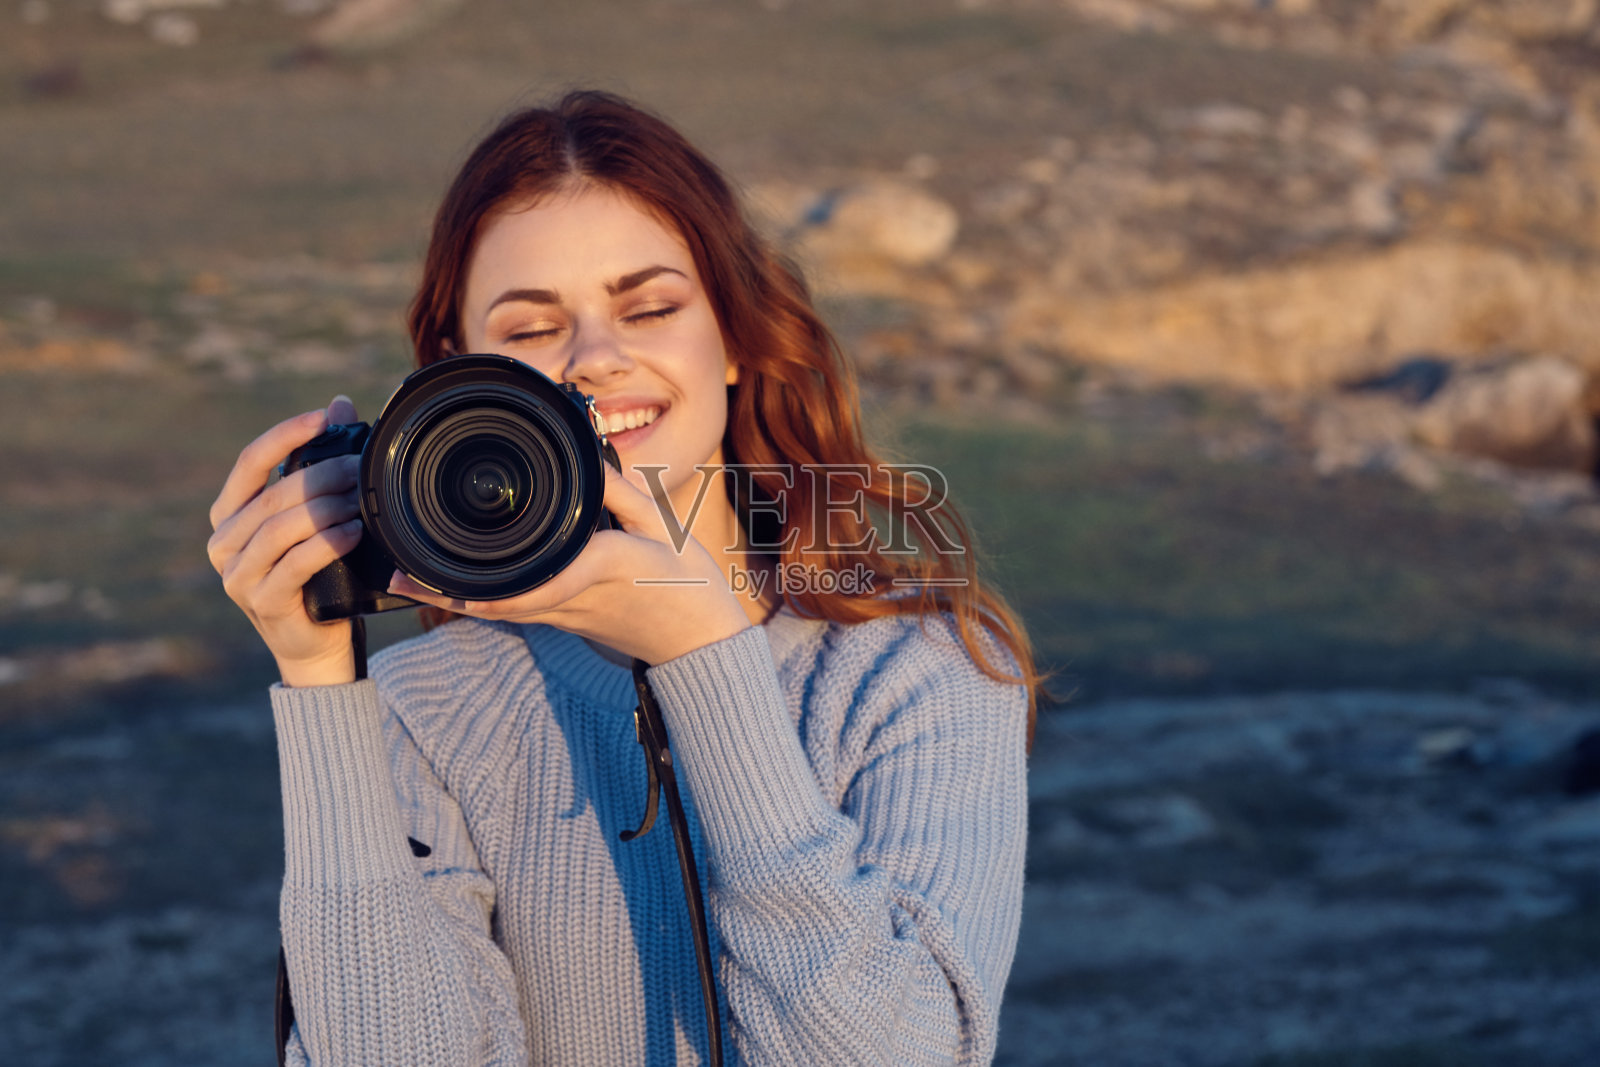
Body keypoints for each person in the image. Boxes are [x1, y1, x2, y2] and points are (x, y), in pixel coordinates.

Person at [207, 89, 1039, 1066]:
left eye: (649, 306)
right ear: (463, 371)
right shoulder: (426, 706)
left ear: (731, 336)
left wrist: (704, 655)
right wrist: (321, 690)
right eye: (529, 329)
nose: (597, 358)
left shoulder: (918, 671)